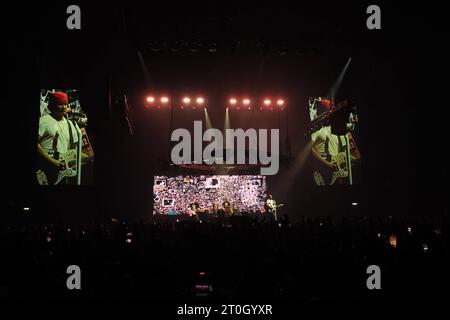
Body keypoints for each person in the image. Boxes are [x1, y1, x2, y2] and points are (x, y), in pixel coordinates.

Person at [37, 92, 79, 185]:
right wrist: (52, 161)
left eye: (65, 104)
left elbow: (74, 147)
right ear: (52, 105)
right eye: (60, 104)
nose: (64, 107)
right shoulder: (44, 120)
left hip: (62, 171)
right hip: (45, 169)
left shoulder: (71, 124)